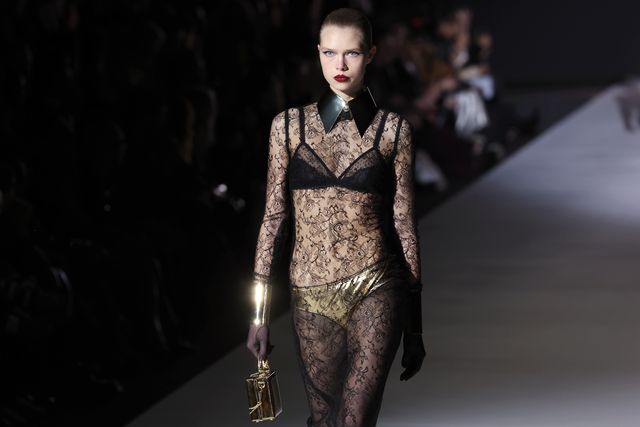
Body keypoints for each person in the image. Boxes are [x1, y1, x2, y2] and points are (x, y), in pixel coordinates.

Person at [246, 8, 426, 427]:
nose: (340, 64)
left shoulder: (394, 131)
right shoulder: (286, 128)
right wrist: (258, 316)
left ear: (371, 54)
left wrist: (415, 326)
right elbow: (273, 220)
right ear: (318, 53)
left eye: (352, 53)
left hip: (377, 284)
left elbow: (404, 225)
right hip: (310, 292)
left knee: (354, 420)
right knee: (324, 419)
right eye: (330, 53)